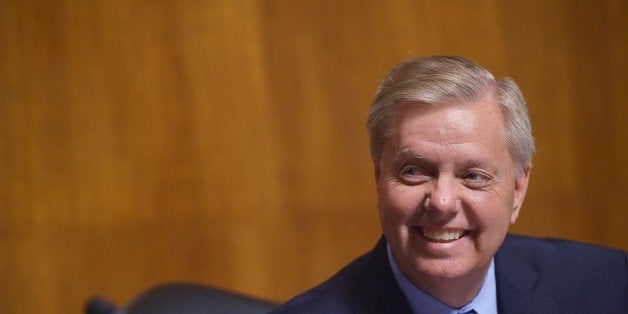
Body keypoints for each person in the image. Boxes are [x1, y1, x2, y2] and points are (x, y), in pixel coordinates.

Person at [270, 56, 627, 314]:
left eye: (474, 176)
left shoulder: (610, 284)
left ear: (518, 190)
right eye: (413, 171)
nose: (441, 202)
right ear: (379, 177)